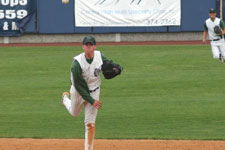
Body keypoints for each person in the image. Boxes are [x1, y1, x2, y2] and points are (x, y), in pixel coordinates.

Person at [62, 36, 122, 150]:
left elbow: (108, 63)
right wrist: (91, 100)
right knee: (75, 113)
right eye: (86, 45)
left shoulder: (99, 56)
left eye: (91, 45)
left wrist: (116, 68)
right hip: (78, 91)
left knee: (90, 124)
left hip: (95, 91)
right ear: (83, 47)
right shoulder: (77, 64)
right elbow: (79, 86)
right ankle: (65, 98)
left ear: (95, 46)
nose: (89, 48)